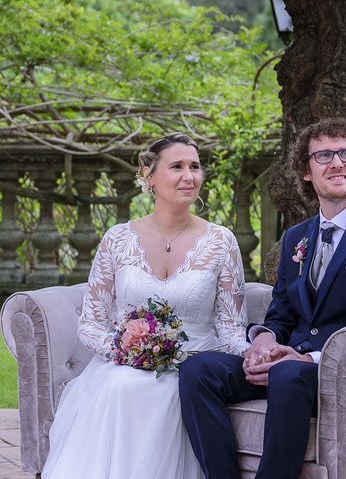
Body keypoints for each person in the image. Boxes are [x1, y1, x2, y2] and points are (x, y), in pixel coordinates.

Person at [179, 118, 346, 479]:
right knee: (198, 370)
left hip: (341, 370)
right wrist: (264, 340)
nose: (337, 163)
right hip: (287, 365)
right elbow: (281, 313)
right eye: (324, 155)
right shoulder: (296, 238)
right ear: (306, 171)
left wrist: (307, 356)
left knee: (289, 374)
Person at [42, 133, 249, 479]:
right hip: (126, 365)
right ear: (149, 175)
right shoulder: (117, 239)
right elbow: (91, 321)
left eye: (195, 167)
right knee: (123, 386)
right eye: (177, 167)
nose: (189, 176)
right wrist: (126, 350)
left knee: (173, 391)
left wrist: (253, 353)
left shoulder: (221, 241)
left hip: (196, 364)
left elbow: (230, 326)